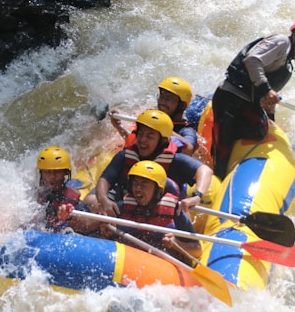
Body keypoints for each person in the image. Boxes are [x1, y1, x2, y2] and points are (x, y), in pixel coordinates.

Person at [211, 17, 295, 179]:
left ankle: (236, 161)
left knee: (260, 129)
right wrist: (266, 88)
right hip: (229, 98)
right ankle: (217, 175)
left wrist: (271, 118)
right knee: (223, 152)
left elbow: (269, 97)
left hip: (246, 103)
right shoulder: (281, 42)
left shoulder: (288, 66)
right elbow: (252, 59)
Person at [84, 109, 212, 220]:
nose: (142, 140)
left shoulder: (175, 160)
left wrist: (197, 196)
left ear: (162, 141)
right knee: (92, 201)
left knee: (181, 213)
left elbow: (205, 171)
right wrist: (103, 200)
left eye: (150, 136)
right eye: (140, 134)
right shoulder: (126, 155)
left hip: (161, 208)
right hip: (127, 203)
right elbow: (105, 179)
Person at [100, 160, 202, 264]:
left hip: (161, 263)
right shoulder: (122, 207)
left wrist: (176, 243)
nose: (138, 188)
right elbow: (106, 235)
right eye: (135, 183)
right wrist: (105, 231)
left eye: (144, 183)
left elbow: (197, 251)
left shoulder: (175, 212)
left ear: (158, 190)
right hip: (127, 259)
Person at [110, 77, 198, 155]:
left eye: (168, 98)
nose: (162, 102)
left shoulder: (186, 131)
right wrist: (119, 127)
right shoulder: (153, 118)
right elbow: (137, 144)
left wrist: (163, 128)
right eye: (161, 96)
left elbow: (189, 150)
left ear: (182, 106)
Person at [21, 146, 90, 233]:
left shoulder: (74, 203)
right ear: (41, 174)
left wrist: (70, 218)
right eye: (48, 172)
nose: (52, 177)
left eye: (57, 172)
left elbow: (87, 227)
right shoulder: (32, 197)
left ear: (65, 173)